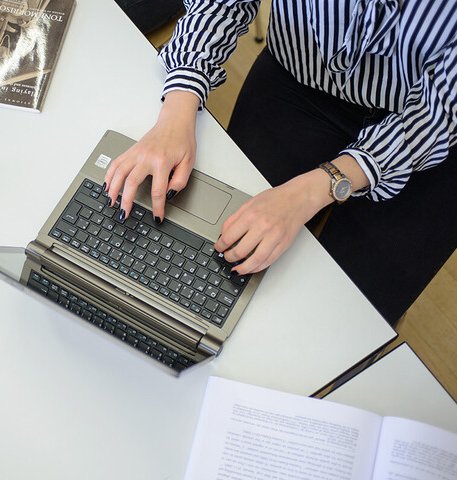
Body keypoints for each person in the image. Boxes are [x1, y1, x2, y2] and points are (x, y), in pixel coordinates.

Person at [103, 0, 457, 325]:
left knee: (343, 319)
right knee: (211, 262)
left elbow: (438, 113)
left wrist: (313, 190)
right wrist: (178, 105)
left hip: (429, 138)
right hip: (300, 77)